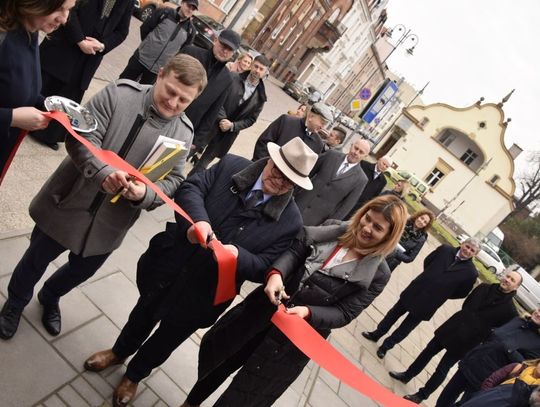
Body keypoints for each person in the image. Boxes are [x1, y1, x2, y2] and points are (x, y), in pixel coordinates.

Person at [83, 137, 318, 407]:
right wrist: (199, 222)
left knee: (169, 336)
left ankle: (135, 375)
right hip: (174, 260)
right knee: (143, 312)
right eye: (277, 172)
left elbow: (266, 265)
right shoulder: (231, 165)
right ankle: (118, 351)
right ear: (270, 160)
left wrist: (239, 257)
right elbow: (191, 188)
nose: (278, 182)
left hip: (207, 290)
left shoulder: (291, 222)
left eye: (288, 182)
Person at [0, 54, 207, 340]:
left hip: (113, 220)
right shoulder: (120, 94)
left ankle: (50, 296)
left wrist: (145, 194)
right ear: (160, 74)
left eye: (183, 100)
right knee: (36, 259)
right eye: (170, 91)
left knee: (81, 271)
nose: (173, 103)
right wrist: (103, 173)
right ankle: (15, 302)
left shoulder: (184, 133)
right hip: (70, 199)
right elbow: (79, 136)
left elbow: (175, 179)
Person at [179, 195, 408, 407]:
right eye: (367, 219)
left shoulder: (379, 274)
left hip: (291, 342)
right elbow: (295, 251)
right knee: (220, 361)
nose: (366, 228)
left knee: (246, 393)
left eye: (377, 228)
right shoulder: (333, 227)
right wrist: (277, 273)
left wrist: (307, 312)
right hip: (261, 311)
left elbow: (345, 313)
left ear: (389, 236)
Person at [389, 271, 521, 404]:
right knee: (427, 351)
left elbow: (498, 332)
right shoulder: (484, 287)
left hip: (468, 341)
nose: (507, 280)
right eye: (507, 276)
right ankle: (407, 375)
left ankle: (422, 394)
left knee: (442, 368)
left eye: (512, 280)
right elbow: (467, 303)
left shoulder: (510, 311)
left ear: (516, 287)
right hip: (453, 326)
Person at [30, 0, 133, 150]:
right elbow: (70, 10)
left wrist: (102, 45)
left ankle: (50, 135)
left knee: (70, 94)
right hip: (64, 46)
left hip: (89, 58)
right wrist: (80, 40)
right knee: (45, 84)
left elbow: (122, 32)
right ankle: (28, 121)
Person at [362, 238, 480, 359]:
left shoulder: (471, 273)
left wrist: (443, 292)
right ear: (462, 244)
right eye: (467, 246)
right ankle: (376, 334)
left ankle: (386, 347)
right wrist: (429, 278)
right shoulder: (445, 249)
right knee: (393, 314)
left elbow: (462, 292)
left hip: (431, 302)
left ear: (475, 254)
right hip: (416, 289)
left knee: (406, 328)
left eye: (472, 250)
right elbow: (427, 261)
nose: (468, 250)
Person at [0, 0, 76, 183]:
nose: (65, 19)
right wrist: (12, 118)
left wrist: (48, 105)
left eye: (69, 10)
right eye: (60, 9)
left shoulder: (30, 31)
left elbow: (15, 87)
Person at [436, 308, 540, 406]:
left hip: (483, 379)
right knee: (444, 399)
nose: (538, 314)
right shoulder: (517, 320)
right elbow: (492, 336)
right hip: (471, 364)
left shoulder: (537, 344)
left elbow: (526, 364)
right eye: (539, 310)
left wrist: (508, 349)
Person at [190, 54, 270, 173]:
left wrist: (232, 126)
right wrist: (222, 119)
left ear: (265, 72)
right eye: (256, 66)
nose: (257, 71)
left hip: (227, 135)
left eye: (261, 69)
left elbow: (251, 119)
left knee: (203, 165)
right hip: (210, 123)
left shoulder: (261, 97)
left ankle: (186, 186)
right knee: (189, 150)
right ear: (252, 65)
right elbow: (218, 97)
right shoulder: (233, 78)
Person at [180, 29, 239, 159]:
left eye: (229, 49)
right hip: (163, 114)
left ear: (233, 54)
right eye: (224, 45)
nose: (225, 51)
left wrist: (197, 142)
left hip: (187, 131)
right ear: (216, 40)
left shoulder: (227, 79)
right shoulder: (191, 53)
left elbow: (213, 112)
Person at [119, 0, 197, 85]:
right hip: (140, 58)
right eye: (189, 6)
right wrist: (148, 45)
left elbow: (182, 52)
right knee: (122, 83)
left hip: (157, 71)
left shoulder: (190, 31)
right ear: (182, 3)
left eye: (193, 9)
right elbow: (145, 28)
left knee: (143, 95)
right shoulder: (165, 13)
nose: (190, 10)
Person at [295, 139, 371, 226]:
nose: (356, 152)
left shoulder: (361, 179)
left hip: (314, 222)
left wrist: (326, 227)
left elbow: (345, 207)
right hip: (298, 204)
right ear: (351, 145)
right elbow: (307, 172)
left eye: (361, 152)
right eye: (356, 148)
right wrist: (293, 194)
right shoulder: (331, 155)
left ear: (365, 156)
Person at [252, 102, 333, 161]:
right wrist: (263, 169)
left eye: (325, 124)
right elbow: (263, 143)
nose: (323, 127)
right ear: (311, 116)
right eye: (322, 123)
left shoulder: (318, 144)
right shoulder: (286, 121)